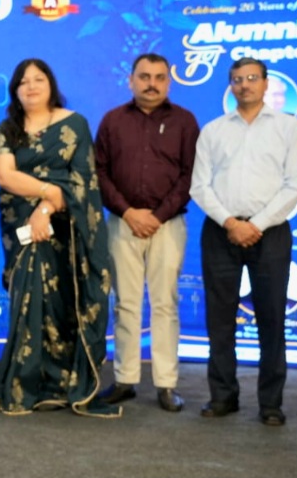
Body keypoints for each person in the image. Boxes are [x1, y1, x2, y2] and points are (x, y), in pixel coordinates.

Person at [0, 58, 120, 418]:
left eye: (38, 79)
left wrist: (45, 208)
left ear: (51, 85)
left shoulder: (74, 124)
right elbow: (6, 176)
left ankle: (66, 382)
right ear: (15, 90)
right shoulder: (7, 129)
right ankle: (25, 385)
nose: (31, 86)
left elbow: (81, 181)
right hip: (20, 226)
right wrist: (49, 192)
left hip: (70, 229)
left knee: (67, 300)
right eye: (23, 81)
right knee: (29, 299)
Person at [190, 57, 297, 427]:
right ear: (230, 85)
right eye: (237, 79)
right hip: (220, 230)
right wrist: (230, 222)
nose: (244, 85)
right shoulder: (213, 130)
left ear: (266, 83)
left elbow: (295, 184)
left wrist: (255, 224)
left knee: (272, 319)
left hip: (269, 233)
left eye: (252, 78)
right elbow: (199, 186)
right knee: (220, 319)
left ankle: (271, 404)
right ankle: (222, 396)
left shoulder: (289, 127)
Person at [94, 54, 200, 412]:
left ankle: (166, 384)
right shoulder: (112, 120)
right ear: (131, 80)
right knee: (125, 303)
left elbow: (191, 174)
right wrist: (127, 212)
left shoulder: (185, 121)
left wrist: (157, 216)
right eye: (144, 76)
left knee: (165, 304)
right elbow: (99, 172)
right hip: (122, 223)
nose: (151, 84)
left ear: (168, 82)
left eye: (159, 77)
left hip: (167, 225)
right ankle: (125, 380)